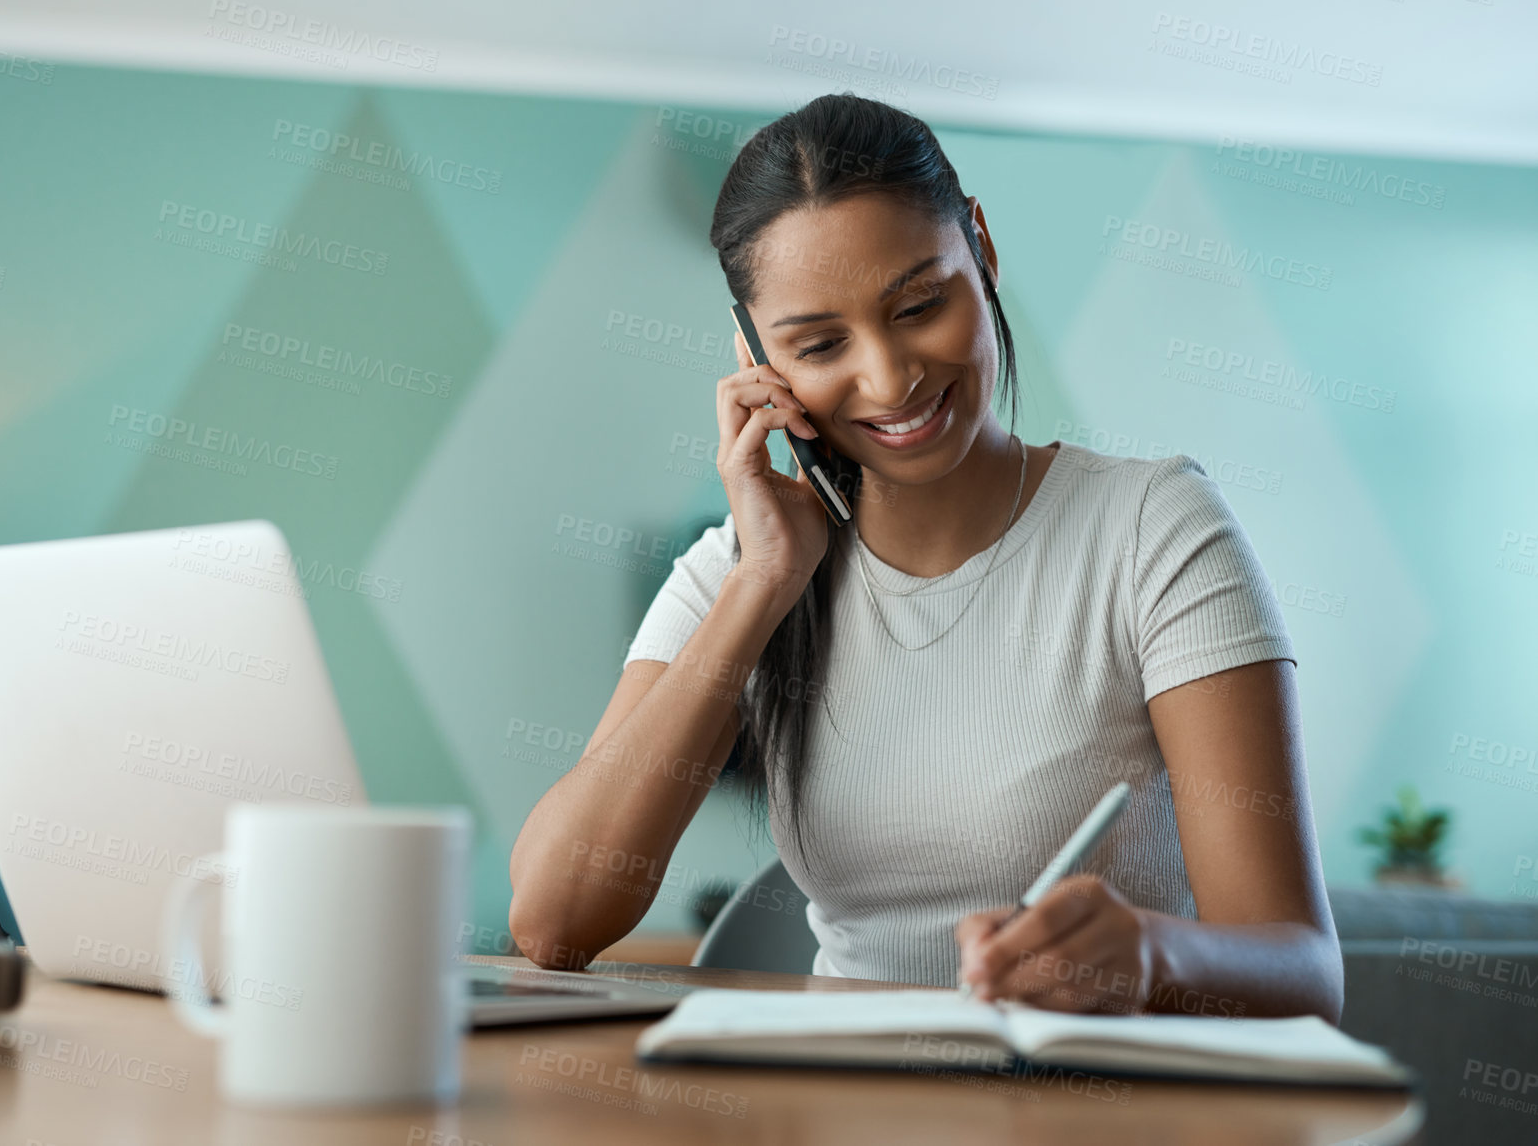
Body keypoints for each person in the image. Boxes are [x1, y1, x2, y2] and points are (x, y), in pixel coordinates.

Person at [509, 93, 1342, 1021]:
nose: (889, 377)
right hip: (840, 1101)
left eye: (917, 304)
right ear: (753, 353)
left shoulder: (1157, 531)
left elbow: (1305, 970)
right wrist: (763, 583)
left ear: (979, 249)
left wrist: (1150, 955)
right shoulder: (736, 569)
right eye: (820, 343)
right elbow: (553, 924)